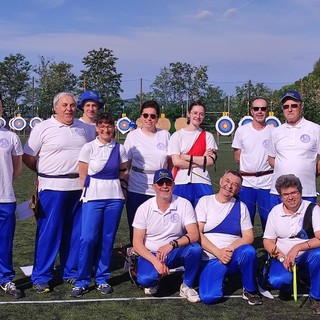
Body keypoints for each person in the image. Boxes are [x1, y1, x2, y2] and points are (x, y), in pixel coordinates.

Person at [23, 92, 91, 293]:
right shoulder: (43, 128)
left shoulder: (83, 128)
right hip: (52, 188)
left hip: (78, 188)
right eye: (64, 105)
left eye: (72, 105)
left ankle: (70, 272)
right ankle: (41, 276)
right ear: (55, 107)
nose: (69, 109)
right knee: (49, 232)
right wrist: (43, 172)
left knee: (74, 233)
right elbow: (28, 156)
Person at [70, 113, 128, 297]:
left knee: (107, 239)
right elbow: (83, 174)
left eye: (109, 126)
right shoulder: (88, 148)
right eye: (102, 126)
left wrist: (121, 191)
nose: (105, 129)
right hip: (92, 198)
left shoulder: (120, 148)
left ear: (114, 128)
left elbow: (124, 171)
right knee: (87, 239)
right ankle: (82, 280)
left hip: (114, 199)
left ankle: (102, 278)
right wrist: (87, 194)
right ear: (97, 128)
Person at [132, 169, 202, 303]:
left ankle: (187, 285)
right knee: (146, 280)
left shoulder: (184, 204)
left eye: (168, 183)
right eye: (160, 183)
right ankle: (155, 279)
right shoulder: (143, 208)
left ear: (173, 185)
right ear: (154, 187)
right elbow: (137, 243)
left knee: (195, 249)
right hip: (151, 253)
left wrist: (171, 245)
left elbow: (194, 235)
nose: (164, 186)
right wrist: (156, 262)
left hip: (174, 251)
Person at [195, 170, 262, 305]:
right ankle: (221, 277)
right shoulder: (205, 201)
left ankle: (249, 289)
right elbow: (197, 233)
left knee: (248, 251)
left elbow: (248, 236)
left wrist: (229, 249)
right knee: (209, 297)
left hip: (231, 256)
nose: (230, 186)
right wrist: (218, 252)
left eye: (235, 184)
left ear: (239, 189)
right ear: (220, 181)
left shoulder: (241, 206)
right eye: (227, 181)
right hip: (211, 258)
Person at [263, 174, 320, 314]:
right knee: (278, 280)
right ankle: (289, 284)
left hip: (306, 255)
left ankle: (316, 296)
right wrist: (282, 258)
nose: (290, 197)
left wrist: (297, 248)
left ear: (300, 192)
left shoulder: (313, 209)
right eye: (285, 194)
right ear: (281, 196)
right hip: (282, 257)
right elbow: (267, 241)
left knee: (319, 255)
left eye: (294, 192)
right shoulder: (275, 212)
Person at [124, 100, 171, 244]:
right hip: (137, 188)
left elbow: (170, 163)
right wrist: (124, 187)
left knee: (158, 228)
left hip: (159, 189)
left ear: (157, 118)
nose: (149, 119)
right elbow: (126, 165)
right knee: (137, 227)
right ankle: (135, 260)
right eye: (145, 115)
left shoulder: (165, 135)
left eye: (152, 116)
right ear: (141, 117)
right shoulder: (132, 136)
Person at [268, 90, 320, 209]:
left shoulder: (315, 129)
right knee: (278, 227)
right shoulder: (276, 132)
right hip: (279, 193)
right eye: (286, 106)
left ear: (301, 106)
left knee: (306, 227)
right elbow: (271, 159)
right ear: (282, 108)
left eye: (294, 106)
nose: (290, 109)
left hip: (306, 192)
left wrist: (309, 172)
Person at [232, 97, 274, 230]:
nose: (259, 112)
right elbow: (237, 156)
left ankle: (271, 250)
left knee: (268, 219)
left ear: (267, 111)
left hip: (267, 182)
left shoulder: (274, 132)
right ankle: (245, 249)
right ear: (251, 111)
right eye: (256, 109)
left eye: (263, 108)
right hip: (246, 183)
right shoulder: (242, 131)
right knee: (245, 219)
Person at [168, 101, 217, 207]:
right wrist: (201, 159)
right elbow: (176, 162)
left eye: (201, 114)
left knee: (203, 219)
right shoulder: (177, 135)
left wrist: (186, 157)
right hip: (181, 182)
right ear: (189, 113)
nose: (198, 116)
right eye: (195, 113)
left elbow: (210, 161)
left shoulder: (208, 136)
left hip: (203, 181)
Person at [0, 95, 23, 299]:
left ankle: (5, 278)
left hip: (5, 199)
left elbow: (17, 167)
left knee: (5, 242)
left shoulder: (11, 136)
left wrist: (6, 182)